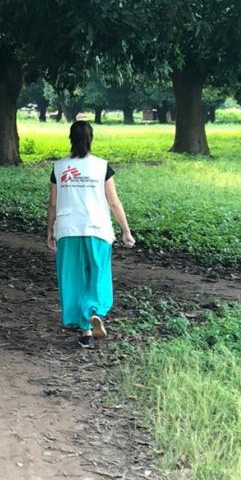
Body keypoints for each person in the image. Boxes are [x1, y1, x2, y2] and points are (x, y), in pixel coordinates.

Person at [46, 120, 135, 349]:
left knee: (73, 277)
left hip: (67, 229)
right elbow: (114, 202)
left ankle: (85, 331)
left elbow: (53, 204)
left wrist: (49, 231)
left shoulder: (59, 167)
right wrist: (126, 231)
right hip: (97, 228)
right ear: (90, 139)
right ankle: (95, 310)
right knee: (98, 273)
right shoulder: (102, 166)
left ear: (70, 139)